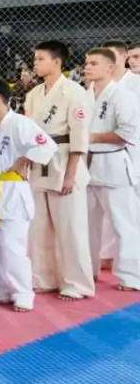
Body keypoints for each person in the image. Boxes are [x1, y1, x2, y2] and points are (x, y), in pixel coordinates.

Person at [0, 77, 53, 311]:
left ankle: (23, 292)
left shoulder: (20, 123)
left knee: (13, 246)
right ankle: (3, 289)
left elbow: (47, 145)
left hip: (12, 191)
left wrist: (25, 157)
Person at [25, 41, 95, 300]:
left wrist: (71, 173)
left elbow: (79, 137)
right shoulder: (33, 94)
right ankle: (45, 277)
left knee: (70, 227)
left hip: (65, 161)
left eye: (40, 59)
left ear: (57, 61)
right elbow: (29, 134)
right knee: (40, 227)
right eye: (35, 59)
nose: (35, 63)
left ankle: (77, 283)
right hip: (39, 164)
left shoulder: (74, 92)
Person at [82, 48, 140, 291]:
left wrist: (91, 137)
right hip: (87, 165)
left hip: (114, 163)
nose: (87, 67)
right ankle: (88, 271)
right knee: (86, 224)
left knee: (123, 223)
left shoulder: (122, 94)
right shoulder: (85, 94)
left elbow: (128, 134)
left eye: (93, 63)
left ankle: (131, 276)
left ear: (109, 67)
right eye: (86, 63)